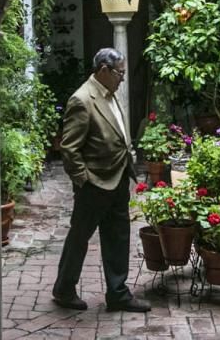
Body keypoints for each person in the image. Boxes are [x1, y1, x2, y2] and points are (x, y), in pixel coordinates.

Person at [51, 48, 151, 312]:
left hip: (117, 177)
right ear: (104, 71)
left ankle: (118, 294)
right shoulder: (82, 100)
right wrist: (84, 180)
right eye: (119, 73)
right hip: (94, 184)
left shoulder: (109, 93)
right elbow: (69, 148)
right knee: (79, 237)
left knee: (117, 236)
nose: (122, 79)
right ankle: (63, 290)